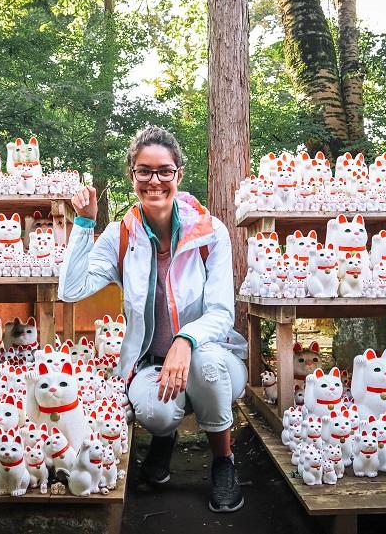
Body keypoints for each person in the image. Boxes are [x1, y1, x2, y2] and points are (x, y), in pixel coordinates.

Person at [58, 126, 248, 512]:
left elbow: (222, 313)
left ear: (178, 174)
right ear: (132, 176)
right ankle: (166, 435)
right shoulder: (120, 236)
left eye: (164, 171)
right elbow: (71, 290)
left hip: (216, 356)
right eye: (144, 171)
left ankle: (223, 460)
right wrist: (84, 223)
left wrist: (185, 340)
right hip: (151, 363)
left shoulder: (211, 234)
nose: (154, 181)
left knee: (206, 364)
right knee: (158, 415)